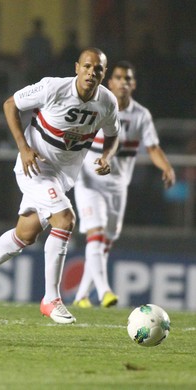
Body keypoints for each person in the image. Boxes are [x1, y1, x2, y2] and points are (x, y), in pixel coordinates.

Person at [0, 47, 120, 324]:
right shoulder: (53, 88)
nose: (91, 72)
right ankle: (51, 298)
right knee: (65, 218)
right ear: (77, 67)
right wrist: (23, 148)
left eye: (97, 69)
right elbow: (10, 104)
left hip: (63, 176)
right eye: (87, 66)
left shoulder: (107, 102)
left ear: (103, 73)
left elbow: (113, 134)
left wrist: (106, 156)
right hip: (35, 167)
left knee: (27, 233)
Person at [72, 61, 175, 308]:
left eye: (128, 78)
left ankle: (80, 296)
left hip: (118, 186)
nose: (123, 82)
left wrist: (167, 167)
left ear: (134, 84)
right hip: (89, 181)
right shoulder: (96, 106)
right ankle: (105, 291)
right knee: (95, 234)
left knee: (104, 242)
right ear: (110, 82)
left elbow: (152, 147)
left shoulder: (141, 115)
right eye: (119, 77)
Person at [22, 18, 53, 84]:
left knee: (30, 85)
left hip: (33, 66)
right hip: (42, 66)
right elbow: (49, 54)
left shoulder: (30, 40)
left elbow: (26, 53)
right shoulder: (45, 40)